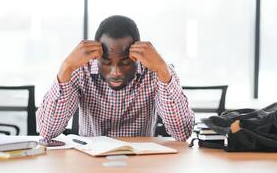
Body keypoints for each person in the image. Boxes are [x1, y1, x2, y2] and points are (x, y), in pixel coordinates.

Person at [37, 15, 194, 141]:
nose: (115, 72)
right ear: (97, 56)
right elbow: (47, 132)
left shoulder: (156, 70)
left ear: (136, 55)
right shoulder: (79, 70)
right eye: (106, 62)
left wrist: (162, 70)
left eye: (124, 63)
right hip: (89, 163)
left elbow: (182, 134)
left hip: (142, 162)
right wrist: (65, 67)